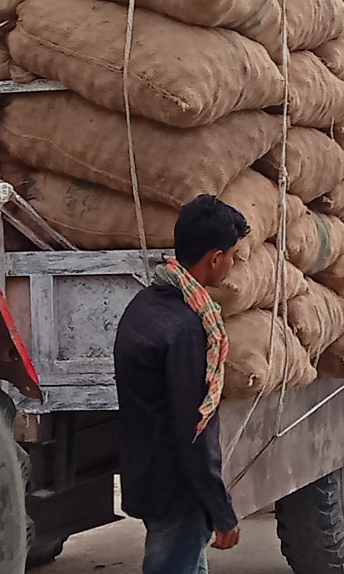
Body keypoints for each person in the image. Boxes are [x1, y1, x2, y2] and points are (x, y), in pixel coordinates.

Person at [114, 194, 250, 574]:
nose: (233, 265)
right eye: (232, 256)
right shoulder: (188, 329)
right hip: (177, 491)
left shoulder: (143, 305)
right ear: (215, 258)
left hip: (147, 478)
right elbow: (194, 432)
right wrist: (221, 511)